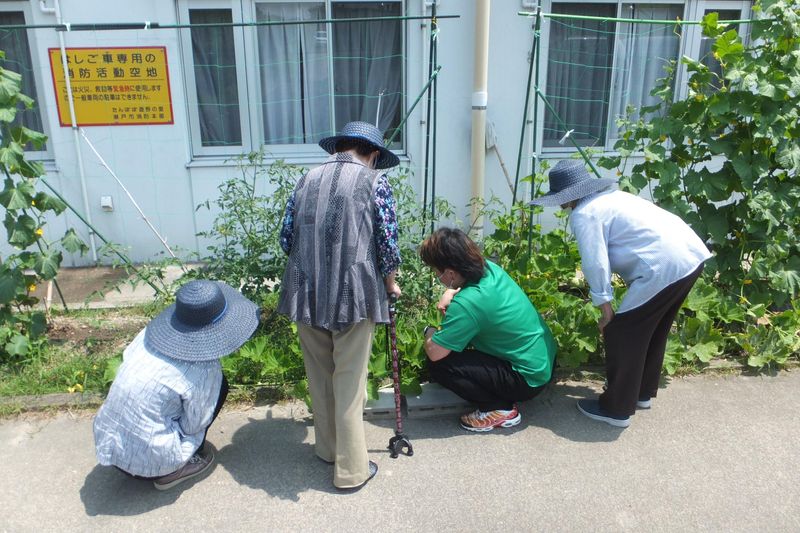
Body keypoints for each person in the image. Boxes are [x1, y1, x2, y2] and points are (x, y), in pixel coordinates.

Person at [530, 159, 712, 428]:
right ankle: (640, 394)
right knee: (653, 330)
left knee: (622, 331)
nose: (558, 203)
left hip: (663, 267)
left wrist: (605, 309)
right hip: (690, 256)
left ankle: (616, 409)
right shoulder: (613, 197)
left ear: (570, 195)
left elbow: (596, 262)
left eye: (559, 198)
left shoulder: (585, 213)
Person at [278, 121, 401, 491]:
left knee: (320, 375)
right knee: (350, 380)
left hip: (306, 290)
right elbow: (387, 243)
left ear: (340, 148)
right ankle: (351, 471)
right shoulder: (375, 182)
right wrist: (391, 284)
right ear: (373, 155)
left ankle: (328, 451)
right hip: (355, 292)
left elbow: (286, 238)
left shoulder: (306, 179)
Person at [93, 280, 259, 490]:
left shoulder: (147, 335)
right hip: (151, 465)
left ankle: (152, 454)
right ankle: (173, 469)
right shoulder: (203, 367)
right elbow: (194, 424)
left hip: (109, 447)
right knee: (220, 387)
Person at [419, 227, 557, 432]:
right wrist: (450, 291)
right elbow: (473, 300)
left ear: (449, 273)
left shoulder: (467, 304)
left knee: (439, 365)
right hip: (543, 361)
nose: (436, 275)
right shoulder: (490, 269)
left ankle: (498, 409)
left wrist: (428, 330)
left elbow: (435, 352)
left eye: (435, 271)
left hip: (527, 381)